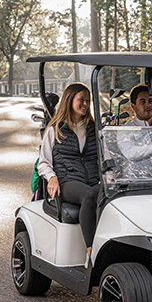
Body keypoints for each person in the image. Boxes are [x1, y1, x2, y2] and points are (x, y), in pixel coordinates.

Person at [37, 82, 99, 262]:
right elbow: (43, 163)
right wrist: (52, 177)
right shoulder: (54, 130)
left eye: (88, 101)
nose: (86, 104)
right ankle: (91, 251)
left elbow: (104, 158)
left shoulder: (94, 129)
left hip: (92, 179)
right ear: (70, 100)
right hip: (67, 181)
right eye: (82, 99)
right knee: (88, 196)